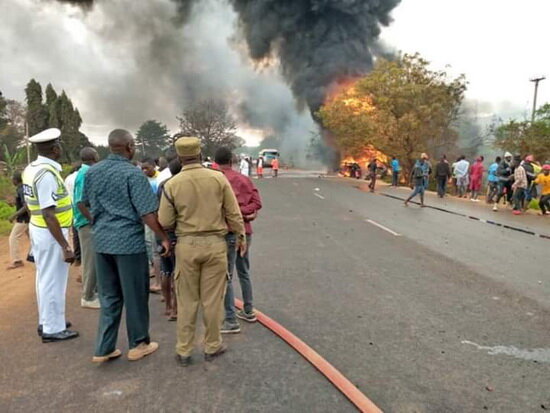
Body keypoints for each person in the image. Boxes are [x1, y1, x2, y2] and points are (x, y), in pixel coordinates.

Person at [83, 129, 170, 363]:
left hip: (101, 243)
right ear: (130, 147)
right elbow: (148, 214)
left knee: (109, 296)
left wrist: (99, 223)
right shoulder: (133, 175)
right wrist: (163, 237)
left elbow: (83, 203)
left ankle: (103, 348)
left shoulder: (93, 172)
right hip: (128, 244)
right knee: (134, 294)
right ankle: (138, 344)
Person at [158, 137, 246, 367]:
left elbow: (165, 220)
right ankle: (212, 346)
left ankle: (184, 350)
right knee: (212, 300)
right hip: (215, 245)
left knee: (187, 301)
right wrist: (241, 237)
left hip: (186, 247)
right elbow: (233, 214)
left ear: (179, 157)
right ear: (200, 154)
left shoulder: (172, 184)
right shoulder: (218, 179)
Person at [22, 128, 79, 342]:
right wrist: (65, 246)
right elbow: (48, 213)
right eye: (59, 145)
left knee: (44, 278)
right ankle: (52, 329)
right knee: (53, 280)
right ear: (55, 149)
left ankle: (48, 320)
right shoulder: (46, 174)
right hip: (51, 233)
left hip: (41, 230)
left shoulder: (32, 168)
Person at [214, 147, 262, 334]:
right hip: (245, 231)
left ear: (216, 162)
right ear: (232, 161)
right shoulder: (244, 179)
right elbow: (257, 203)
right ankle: (248, 310)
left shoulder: (215, 180)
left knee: (226, 275)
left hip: (225, 232)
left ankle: (231, 320)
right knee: (244, 271)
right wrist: (244, 214)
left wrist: (234, 215)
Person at [73, 147, 100, 309]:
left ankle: (92, 291)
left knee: (92, 259)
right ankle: (88, 296)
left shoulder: (86, 172)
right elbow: (80, 202)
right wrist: (93, 219)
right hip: (86, 223)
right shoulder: (85, 174)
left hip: (86, 221)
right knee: (90, 261)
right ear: (93, 157)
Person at [157, 158, 182, 321]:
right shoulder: (180, 185)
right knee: (177, 272)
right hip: (175, 233)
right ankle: (176, 308)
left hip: (160, 231)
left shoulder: (162, 185)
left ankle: (167, 306)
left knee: (166, 271)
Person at [141, 157, 162, 294]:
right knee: (149, 245)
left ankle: (159, 283)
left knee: (156, 250)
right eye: (142, 168)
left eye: (147, 168)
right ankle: (155, 270)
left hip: (156, 218)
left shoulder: (159, 180)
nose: (144, 170)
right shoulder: (143, 179)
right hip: (147, 217)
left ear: (154, 166)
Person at [7, 172, 30, 270]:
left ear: (16, 180)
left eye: (12, 179)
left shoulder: (21, 190)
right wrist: (13, 203)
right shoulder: (23, 189)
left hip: (23, 219)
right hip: (27, 219)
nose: (12, 181)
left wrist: (14, 215)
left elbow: (26, 206)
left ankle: (17, 260)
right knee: (33, 239)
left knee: (13, 238)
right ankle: (38, 256)